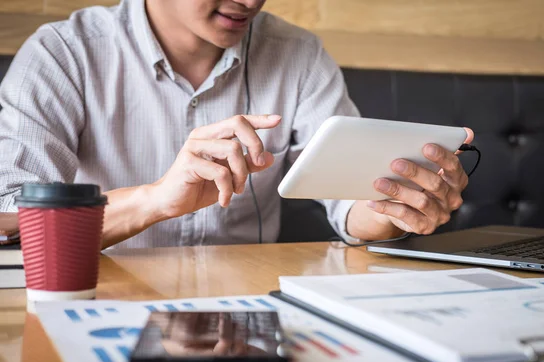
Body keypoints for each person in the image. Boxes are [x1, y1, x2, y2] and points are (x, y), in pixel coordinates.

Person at [0, 0, 474, 249]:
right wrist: (156, 200)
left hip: (249, 307)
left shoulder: (299, 54)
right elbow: (9, 223)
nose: (250, 1)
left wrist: (395, 206)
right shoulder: (63, 53)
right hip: (98, 294)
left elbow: (350, 206)